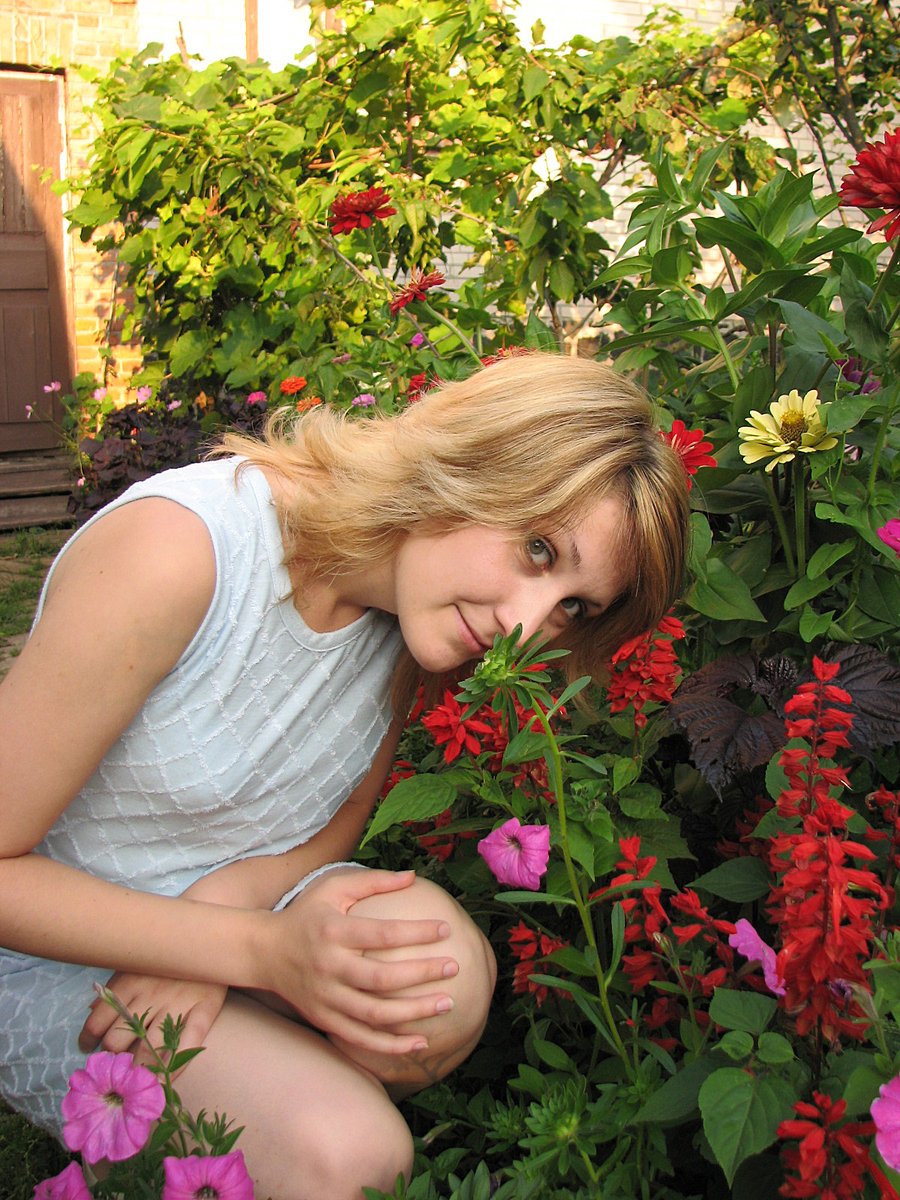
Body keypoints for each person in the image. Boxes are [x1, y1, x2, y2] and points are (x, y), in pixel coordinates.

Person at [0, 351, 690, 1200]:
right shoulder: (180, 551)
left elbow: (339, 822)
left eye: (573, 609)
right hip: (52, 953)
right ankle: (265, 1122)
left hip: (233, 905)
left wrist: (222, 921)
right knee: (355, 1159)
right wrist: (257, 953)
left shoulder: (412, 611)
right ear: (470, 461)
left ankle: (253, 1102)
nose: (524, 626)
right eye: (540, 549)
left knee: (441, 990)